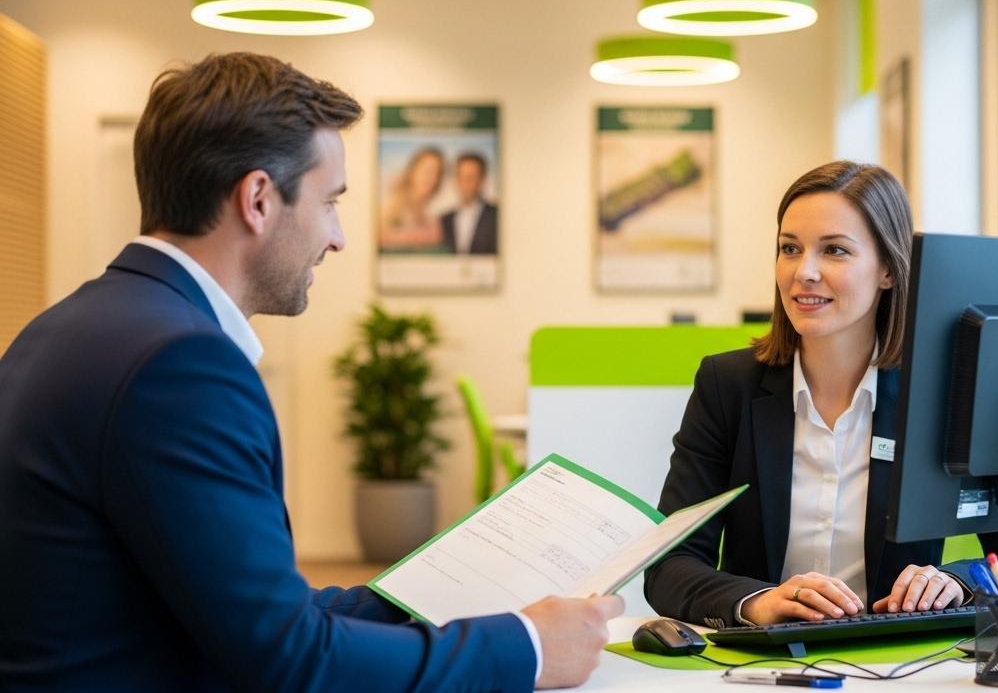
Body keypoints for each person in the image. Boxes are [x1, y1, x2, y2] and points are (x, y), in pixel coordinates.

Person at [0, 52, 620, 691]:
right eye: (330, 202)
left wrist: (434, 594)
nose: (338, 237)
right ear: (259, 200)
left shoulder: (73, 326)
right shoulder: (180, 365)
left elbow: (245, 609)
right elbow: (289, 659)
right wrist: (528, 651)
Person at [643, 161, 998, 629]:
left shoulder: (945, 395)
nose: (805, 272)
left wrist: (959, 582)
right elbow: (668, 565)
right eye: (790, 248)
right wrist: (757, 601)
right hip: (765, 664)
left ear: (888, 269)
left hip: (899, 665)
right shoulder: (728, 386)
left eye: (835, 250)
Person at [379, 146, 448, 250]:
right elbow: (377, 235)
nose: (433, 179)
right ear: (412, 171)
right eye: (428, 171)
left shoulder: (429, 211)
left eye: (438, 173)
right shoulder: (393, 202)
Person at [441, 152, 500, 255]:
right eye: (462, 176)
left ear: (482, 180)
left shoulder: (496, 215)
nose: (466, 182)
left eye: (472, 177)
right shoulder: (446, 219)